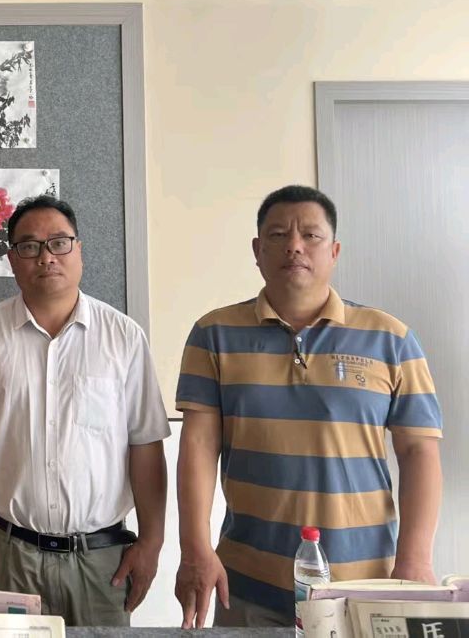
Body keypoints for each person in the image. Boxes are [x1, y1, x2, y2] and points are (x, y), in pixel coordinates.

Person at [175, 185, 443, 628]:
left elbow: (419, 451)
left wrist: (414, 561)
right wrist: (195, 549)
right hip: (247, 582)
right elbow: (199, 447)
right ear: (257, 251)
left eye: (311, 235)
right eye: (278, 235)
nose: (294, 246)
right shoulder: (214, 334)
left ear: (334, 251)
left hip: (365, 585)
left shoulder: (391, 338)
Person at [0, 195, 170, 626]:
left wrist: (153, 541)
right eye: (30, 246)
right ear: (12, 259)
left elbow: (145, 444)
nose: (46, 257)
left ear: (79, 250)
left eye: (59, 243)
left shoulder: (123, 336)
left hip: (102, 560)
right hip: (9, 553)